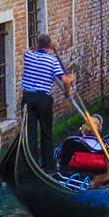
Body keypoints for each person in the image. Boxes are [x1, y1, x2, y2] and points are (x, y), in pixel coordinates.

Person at [20, 33, 72, 172]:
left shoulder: (28, 55)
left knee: (29, 133)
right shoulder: (52, 61)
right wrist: (67, 92)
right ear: (50, 47)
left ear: (37, 45)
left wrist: (48, 44)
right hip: (43, 100)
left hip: (28, 99)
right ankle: (48, 167)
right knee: (46, 133)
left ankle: (31, 165)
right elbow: (65, 80)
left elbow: (31, 49)